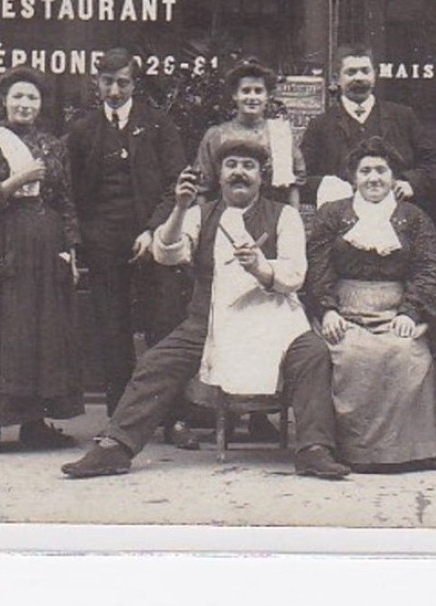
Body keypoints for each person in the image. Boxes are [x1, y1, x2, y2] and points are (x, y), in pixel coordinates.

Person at [62, 136, 350, 481]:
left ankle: (314, 449)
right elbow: (166, 254)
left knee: (313, 352)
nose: (239, 173)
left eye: (248, 166)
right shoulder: (199, 213)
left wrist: (259, 267)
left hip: (272, 318)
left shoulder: (284, 215)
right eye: (231, 165)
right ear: (218, 172)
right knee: (157, 361)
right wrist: (180, 207)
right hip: (211, 319)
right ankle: (115, 447)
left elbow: (294, 275)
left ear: (262, 175)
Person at [65, 48, 198, 448]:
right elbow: (71, 191)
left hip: (152, 243)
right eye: (108, 81)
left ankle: (173, 419)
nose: (115, 89)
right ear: (97, 83)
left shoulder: (158, 125)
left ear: (134, 83)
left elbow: (177, 184)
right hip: (103, 244)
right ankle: (119, 421)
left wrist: (152, 229)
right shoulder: (83, 130)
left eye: (123, 82)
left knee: (163, 330)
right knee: (112, 332)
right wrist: (83, 239)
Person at [0, 66, 84, 454]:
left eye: (32, 97)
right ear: (5, 100)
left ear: (40, 103)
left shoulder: (53, 145)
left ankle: (34, 424)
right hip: (2, 246)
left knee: (39, 332)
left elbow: (64, 201)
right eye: (18, 96)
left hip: (46, 249)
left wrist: (72, 248)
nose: (25, 103)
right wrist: (16, 181)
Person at [306, 139, 436, 472]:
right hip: (344, 309)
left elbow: (428, 267)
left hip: (395, 310)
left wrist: (411, 312)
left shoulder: (414, 218)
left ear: (393, 176)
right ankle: (355, 451)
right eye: (365, 171)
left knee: (408, 354)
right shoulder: (332, 215)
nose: (374, 178)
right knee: (350, 355)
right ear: (353, 177)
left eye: (381, 170)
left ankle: (406, 451)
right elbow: (318, 264)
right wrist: (327, 311)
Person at [299, 45, 436, 208]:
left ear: (374, 75)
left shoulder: (403, 116)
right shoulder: (321, 125)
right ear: (336, 79)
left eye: (365, 71)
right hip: (342, 218)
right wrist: (330, 186)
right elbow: (302, 178)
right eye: (351, 72)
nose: (359, 77)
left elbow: (434, 164)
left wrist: (411, 183)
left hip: (396, 213)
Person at [195, 59, 305, 207]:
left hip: (272, 218)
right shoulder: (216, 135)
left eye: (258, 91)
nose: (252, 97)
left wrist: (293, 223)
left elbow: (292, 187)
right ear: (235, 95)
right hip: (226, 217)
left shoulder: (279, 135)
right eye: (246, 91)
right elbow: (203, 189)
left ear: (267, 96)